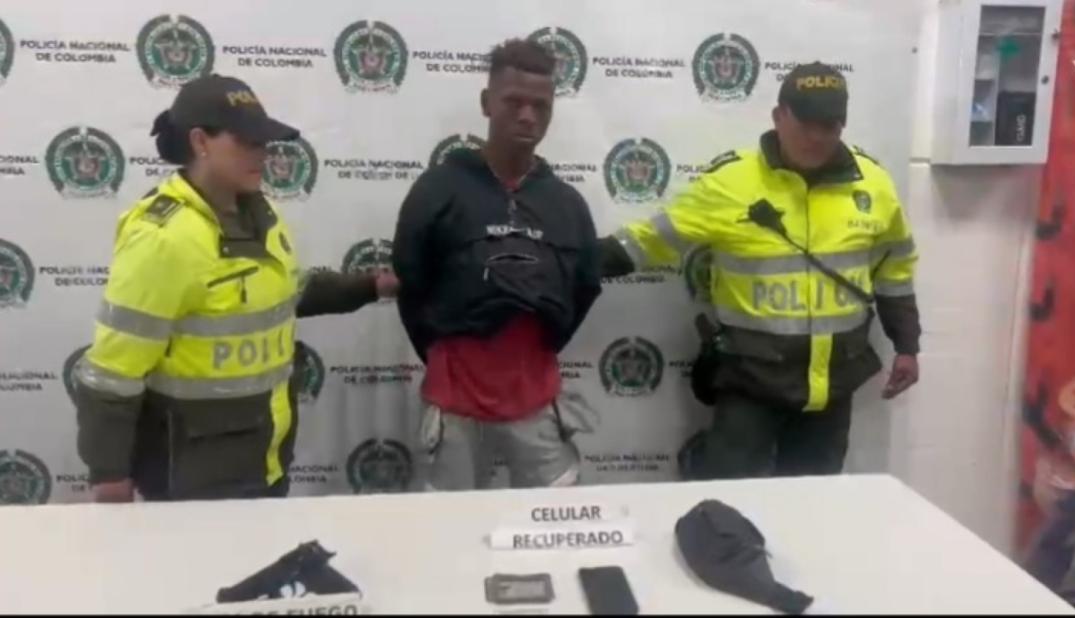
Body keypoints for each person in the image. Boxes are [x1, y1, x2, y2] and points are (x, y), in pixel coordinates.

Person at [75, 74, 398, 503]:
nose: (261, 154)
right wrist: (110, 476)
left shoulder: (261, 216)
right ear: (200, 142)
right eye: (246, 141)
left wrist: (372, 286)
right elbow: (113, 373)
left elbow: (287, 294)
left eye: (263, 142)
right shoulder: (164, 238)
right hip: (190, 481)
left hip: (265, 461)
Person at [599, 62, 921, 479]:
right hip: (750, 383)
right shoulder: (731, 183)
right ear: (778, 116)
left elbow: (895, 266)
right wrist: (575, 263)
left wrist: (907, 344)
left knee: (815, 502)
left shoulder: (873, 184)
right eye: (805, 124)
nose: (817, 137)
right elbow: (651, 239)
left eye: (829, 126)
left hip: (832, 386)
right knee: (732, 498)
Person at [392, 39, 601, 491]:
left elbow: (583, 289)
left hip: (538, 402)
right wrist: (448, 350)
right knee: (448, 525)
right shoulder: (437, 191)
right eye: (514, 102)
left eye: (540, 106)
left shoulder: (566, 205)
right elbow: (412, 284)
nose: (527, 116)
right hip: (454, 404)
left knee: (554, 521)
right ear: (487, 102)